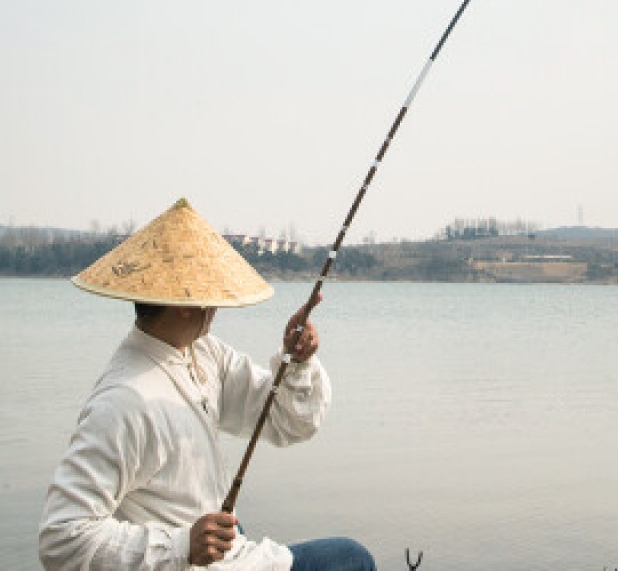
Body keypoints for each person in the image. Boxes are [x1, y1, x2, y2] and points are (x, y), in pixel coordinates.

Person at [39, 198, 375, 571]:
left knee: (237, 526)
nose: (215, 309)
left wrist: (296, 362)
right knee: (352, 559)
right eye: (211, 297)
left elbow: (285, 421)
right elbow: (62, 538)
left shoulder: (200, 352)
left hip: (214, 548)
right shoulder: (122, 402)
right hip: (191, 562)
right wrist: (182, 545)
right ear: (186, 304)